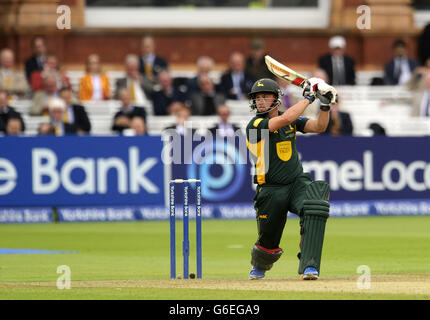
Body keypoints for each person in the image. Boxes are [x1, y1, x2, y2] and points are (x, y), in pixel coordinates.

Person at [245, 77, 337, 280]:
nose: (260, 101)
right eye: (257, 98)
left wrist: (324, 104)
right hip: (270, 189)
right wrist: (309, 97)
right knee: (268, 241)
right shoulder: (255, 125)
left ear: (276, 98)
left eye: (265, 96)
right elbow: (284, 119)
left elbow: (319, 127)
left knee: (314, 206)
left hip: (297, 182)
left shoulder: (291, 119)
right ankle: (259, 266)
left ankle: (309, 266)